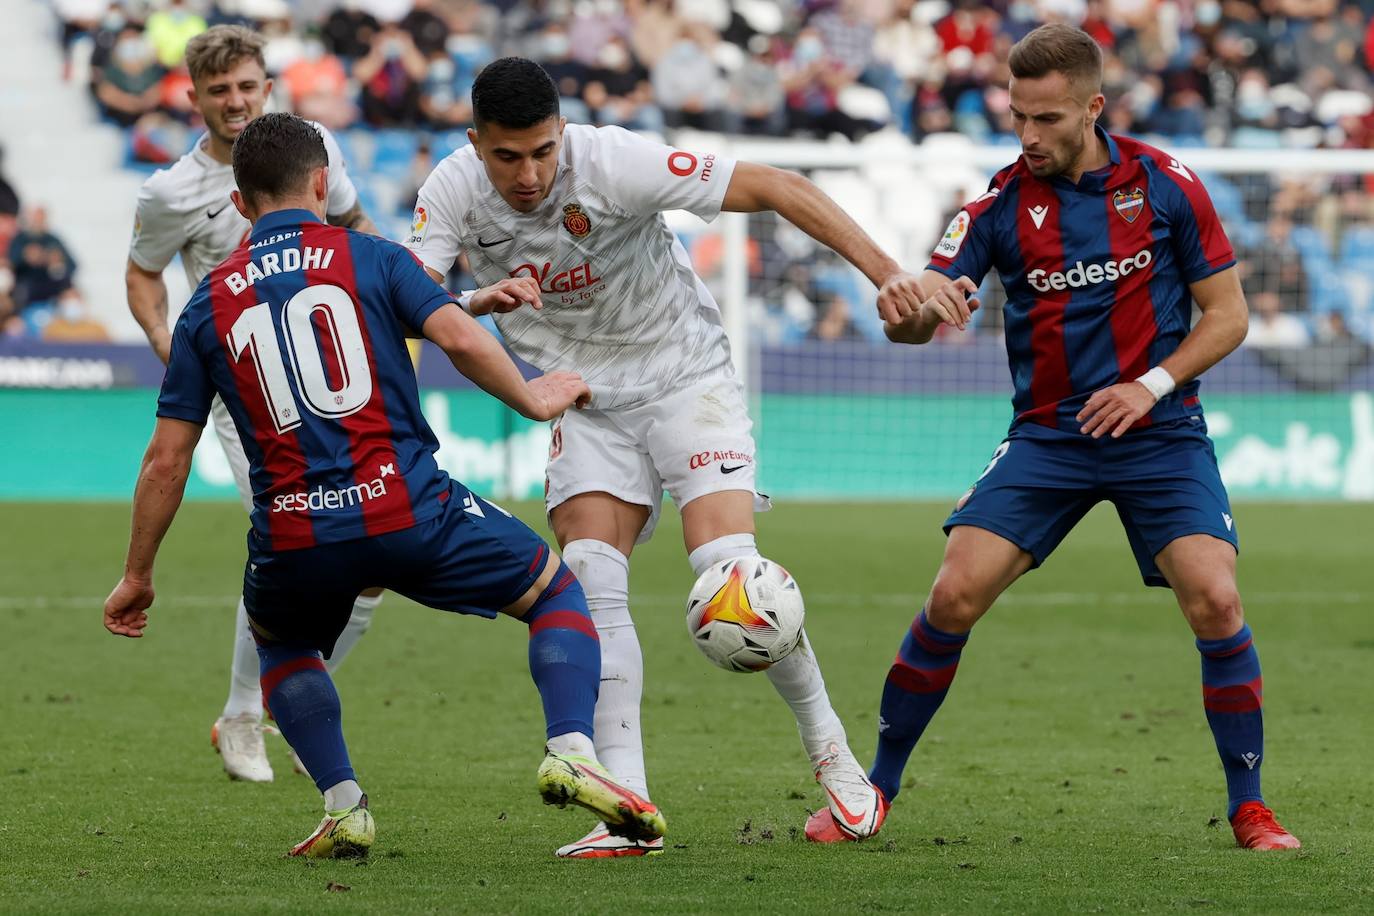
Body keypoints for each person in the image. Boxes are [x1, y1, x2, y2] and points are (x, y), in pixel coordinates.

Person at [102, 112, 666, 861]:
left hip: (296, 535)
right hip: (407, 508)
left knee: (281, 646)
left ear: (240, 205)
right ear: (323, 183)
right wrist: (533, 395)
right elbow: (457, 338)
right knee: (554, 593)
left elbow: (166, 459)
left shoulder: (207, 303)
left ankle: (344, 805)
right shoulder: (372, 255)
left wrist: (138, 575)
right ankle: (570, 747)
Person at [406, 57, 925, 857]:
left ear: (564, 134)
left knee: (733, 575)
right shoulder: (449, 192)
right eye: (506, 156)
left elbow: (780, 186)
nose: (528, 174)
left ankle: (835, 756)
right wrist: (476, 299)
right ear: (476, 143)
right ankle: (628, 809)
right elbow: (416, 299)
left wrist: (889, 273)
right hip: (581, 398)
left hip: (684, 375)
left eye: (543, 152)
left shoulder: (615, 162)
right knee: (589, 582)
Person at [811, 24, 1300, 851]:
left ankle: (1250, 806)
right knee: (952, 594)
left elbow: (1230, 317)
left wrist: (1149, 387)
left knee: (1216, 600)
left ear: (1092, 107)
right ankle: (873, 791)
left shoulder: (1168, 185)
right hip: (1048, 437)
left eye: (1046, 119)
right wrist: (918, 307)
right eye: (1017, 117)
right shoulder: (996, 207)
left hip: (1161, 430)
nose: (1028, 136)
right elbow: (923, 308)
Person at [125, 25, 381, 785]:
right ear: (194, 97)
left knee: (365, 564)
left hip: (334, 382)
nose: (234, 101)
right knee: (294, 544)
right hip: (250, 397)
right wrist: (169, 345)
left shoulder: (313, 149)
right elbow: (143, 274)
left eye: (246, 86)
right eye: (218, 90)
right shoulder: (172, 191)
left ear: (268, 86)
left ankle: (282, 703)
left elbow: (358, 229)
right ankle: (246, 712)